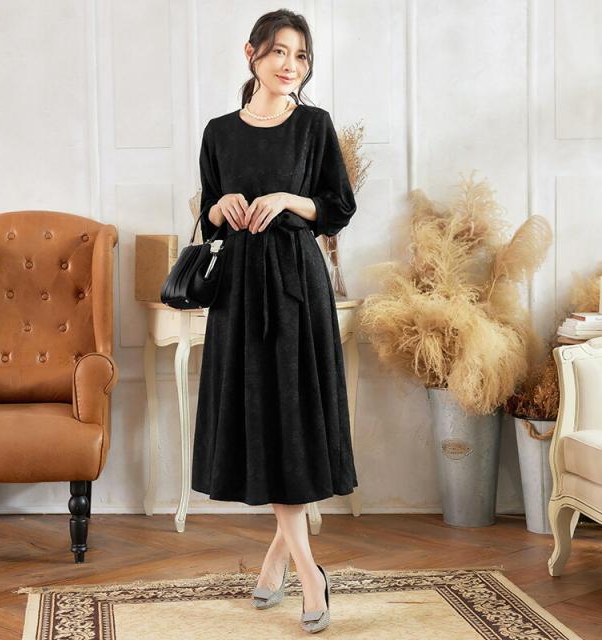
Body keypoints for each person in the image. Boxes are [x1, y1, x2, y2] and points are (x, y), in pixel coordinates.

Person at [191, 8, 358, 634]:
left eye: (301, 56)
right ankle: (281, 562)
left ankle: (306, 572)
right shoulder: (218, 132)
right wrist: (220, 208)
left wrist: (289, 198)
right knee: (261, 420)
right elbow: (207, 212)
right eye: (280, 52)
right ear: (252, 54)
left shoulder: (314, 125)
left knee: (291, 420)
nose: (291, 65)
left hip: (295, 288)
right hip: (238, 289)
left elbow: (338, 207)